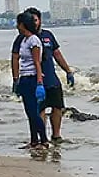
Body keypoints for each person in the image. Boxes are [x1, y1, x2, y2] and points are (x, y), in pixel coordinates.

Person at [10, 8, 74, 142]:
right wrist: (16, 79)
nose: (34, 23)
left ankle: (56, 136)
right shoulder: (22, 39)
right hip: (34, 79)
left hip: (50, 78)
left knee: (57, 106)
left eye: (35, 19)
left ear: (40, 20)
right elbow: (15, 58)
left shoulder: (47, 36)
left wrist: (68, 71)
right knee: (38, 110)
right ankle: (40, 138)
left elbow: (57, 54)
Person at [11, 11, 48, 149]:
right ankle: (34, 140)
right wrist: (17, 80)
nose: (17, 26)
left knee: (34, 112)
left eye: (18, 24)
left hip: (32, 78)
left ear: (23, 24)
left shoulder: (34, 40)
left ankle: (44, 140)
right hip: (25, 78)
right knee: (29, 111)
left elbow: (37, 62)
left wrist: (39, 83)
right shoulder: (23, 40)